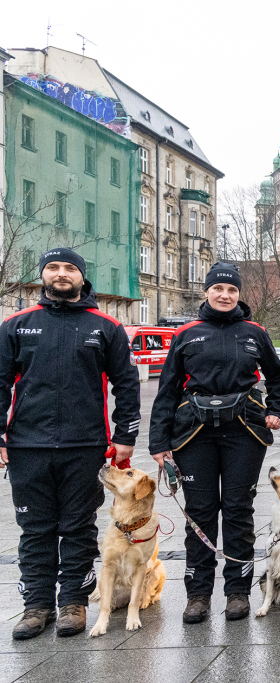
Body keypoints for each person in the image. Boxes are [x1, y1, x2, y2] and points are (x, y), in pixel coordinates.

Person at [0, 248, 141, 639]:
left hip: (86, 446)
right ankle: (37, 604)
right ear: (42, 275)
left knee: (78, 527)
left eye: (69, 268)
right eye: (53, 267)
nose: (61, 274)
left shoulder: (105, 326)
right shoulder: (16, 325)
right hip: (28, 446)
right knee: (35, 529)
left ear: (82, 276)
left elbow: (127, 384)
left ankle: (74, 602)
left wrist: (125, 436)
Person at [149, 262, 280, 624]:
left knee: (239, 510)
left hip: (245, 432)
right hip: (194, 434)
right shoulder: (186, 334)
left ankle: (238, 592)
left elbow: (277, 376)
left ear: (239, 294)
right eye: (218, 289)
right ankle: (198, 594)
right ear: (207, 291)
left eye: (232, 290)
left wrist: (276, 410)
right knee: (200, 513)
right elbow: (167, 390)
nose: (225, 295)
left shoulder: (255, 332)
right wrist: (158, 442)